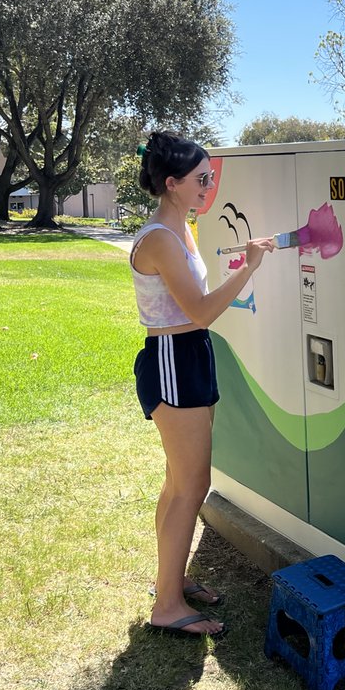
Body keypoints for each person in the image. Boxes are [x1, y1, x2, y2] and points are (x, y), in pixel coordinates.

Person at [130, 131, 275, 638]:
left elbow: (197, 302)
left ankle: (171, 579)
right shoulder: (159, 240)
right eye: (200, 179)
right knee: (192, 486)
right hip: (173, 356)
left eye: (210, 178)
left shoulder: (181, 231)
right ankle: (167, 605)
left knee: (178, 483)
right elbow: (203, 310)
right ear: (171, 184)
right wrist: (250, 268)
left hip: (190, 353)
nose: (208, 187)